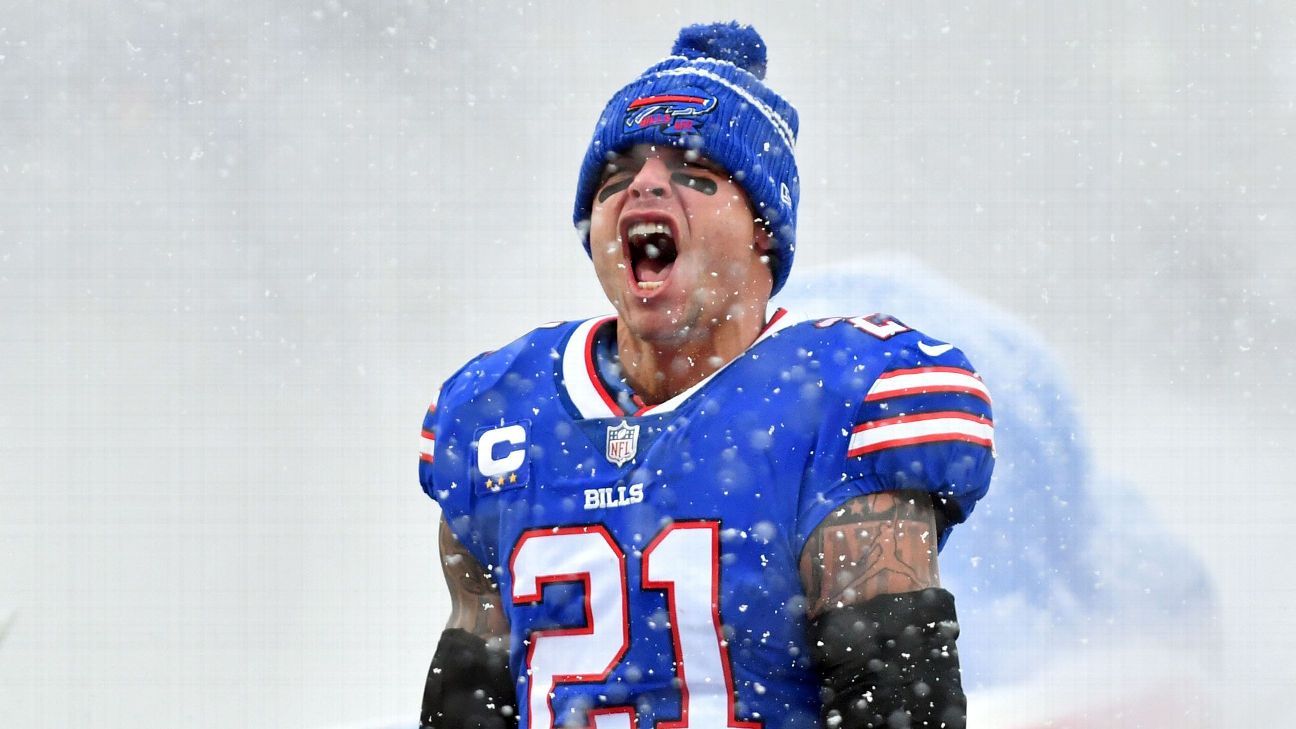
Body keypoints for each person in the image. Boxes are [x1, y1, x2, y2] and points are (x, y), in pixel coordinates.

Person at [417, 22, 994, 729]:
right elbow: (469, 702)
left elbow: (895, 703)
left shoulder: (835, 397)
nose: (644, 186)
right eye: (615, 178)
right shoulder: (498, 411)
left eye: (692, 175)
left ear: (762, 228)